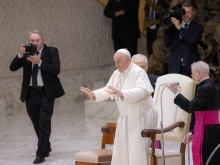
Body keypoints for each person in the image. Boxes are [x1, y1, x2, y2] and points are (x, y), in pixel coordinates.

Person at [80, 49, 154, 165]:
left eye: (118, 61)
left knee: (136, 151)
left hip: (138, 118)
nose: (116, 65)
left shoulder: (139, 72)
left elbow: (142, 91)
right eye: (115, 62)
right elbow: (108, 89)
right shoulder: (117, 73)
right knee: (122, 150)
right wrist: (94, 94)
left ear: (128, 60)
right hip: (124, 118)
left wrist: (123, 94)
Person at [10, 30, 65, 164]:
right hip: (30, 93)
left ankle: (40, 153)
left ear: (43, 41)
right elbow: (12, 68)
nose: (35, 43)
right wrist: (20, 54)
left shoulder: (51, 51)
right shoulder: (27, 53)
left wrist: (39, 62)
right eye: (32, 41)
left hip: (46, 92)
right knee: (36, 123)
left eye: (37, 40)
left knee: (44, 123)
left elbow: (56, 69)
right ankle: (45, 146)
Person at [167, 61, 220, 165]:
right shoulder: (206, 86)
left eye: (192, 74)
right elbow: (199, 112)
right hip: (206, 127)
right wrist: (193, 131)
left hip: (209, 130)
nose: (192, 77)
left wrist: (176, 93)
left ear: (199, 73)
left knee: (208, 159)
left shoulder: (206, 87)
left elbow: (190, 107)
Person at [164, 1, 203, 77]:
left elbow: (192, 40)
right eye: (184, 12)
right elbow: (167, 44)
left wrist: (179, 28)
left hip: (190, 67)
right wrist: (167, 28)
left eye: (188, 12)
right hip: (175, 67)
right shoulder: (173, 26)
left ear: (194, 12)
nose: (186, 15)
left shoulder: (198, 27)